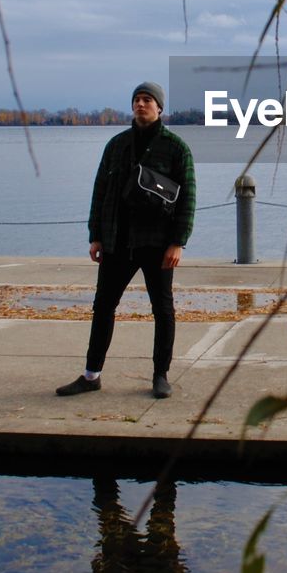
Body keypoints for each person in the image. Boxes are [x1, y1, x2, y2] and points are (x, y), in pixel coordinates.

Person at [57, 81, 196, 399]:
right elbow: (100, 191)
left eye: (147, 100)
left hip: (157, 243)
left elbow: (187, 198)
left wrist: (178, 242)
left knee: (162, 309)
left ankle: (160, 376)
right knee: (103, 306)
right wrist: (95, 235)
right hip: (117, 240)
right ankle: (91, 375)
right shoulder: (116, 145)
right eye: (136, 99)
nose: (141, 104)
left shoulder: (176, 148)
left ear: (159, 108)